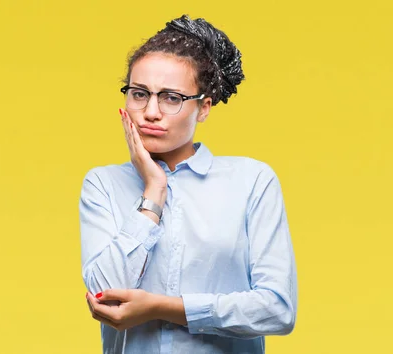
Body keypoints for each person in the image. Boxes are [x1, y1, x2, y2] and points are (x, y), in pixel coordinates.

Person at [79, 14, 298, 354]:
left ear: (204, 107)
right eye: (139, 94)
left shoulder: (251, 182)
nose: (150, 111)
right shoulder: (103, 184)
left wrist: (164, 307)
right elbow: (105, 297)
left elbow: (277, 309)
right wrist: (154, 190)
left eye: (171, 98)